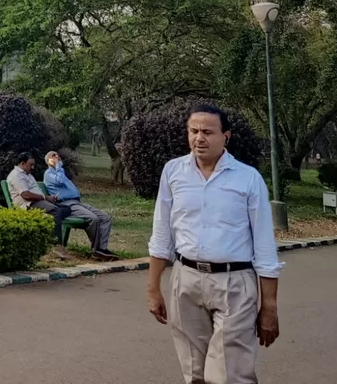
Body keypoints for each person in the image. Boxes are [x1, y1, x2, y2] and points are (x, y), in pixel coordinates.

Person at [146, 104, 282, 384]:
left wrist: (269, 306)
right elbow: (161, 235)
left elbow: (265, 247)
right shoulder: (173, 173)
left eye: (208, 131)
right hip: (186, 280)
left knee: (229, 375)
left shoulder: (248, 179)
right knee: (194, 372)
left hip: (235, 283)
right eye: (193, 131)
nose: (199, 138)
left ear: (226, 136)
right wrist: (153, 289)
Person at [44, 150, 117, 260]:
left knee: (105, 218)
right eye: (53, 156)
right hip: (67, 204)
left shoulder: (61, 172)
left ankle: (102, 248)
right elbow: (59, 181)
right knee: (94, 219)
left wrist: (60, 168)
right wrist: (58, 166)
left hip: (77, 203)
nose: (57, 157)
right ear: (48, 161)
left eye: (57, 155)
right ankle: (96, 250)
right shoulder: (49, 173)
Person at [6, 152, 71, 258]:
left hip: (39, 203)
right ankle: (57, 246)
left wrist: (47, 199)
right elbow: (26, 195)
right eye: (30, 164)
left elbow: (35, 192)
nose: (33, 167)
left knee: (67, 209)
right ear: (22, 163)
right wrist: (45, 198)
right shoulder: (17, 175)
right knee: (56, 211)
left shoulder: (28, 175)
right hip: (28, 205)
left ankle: (50, 219)